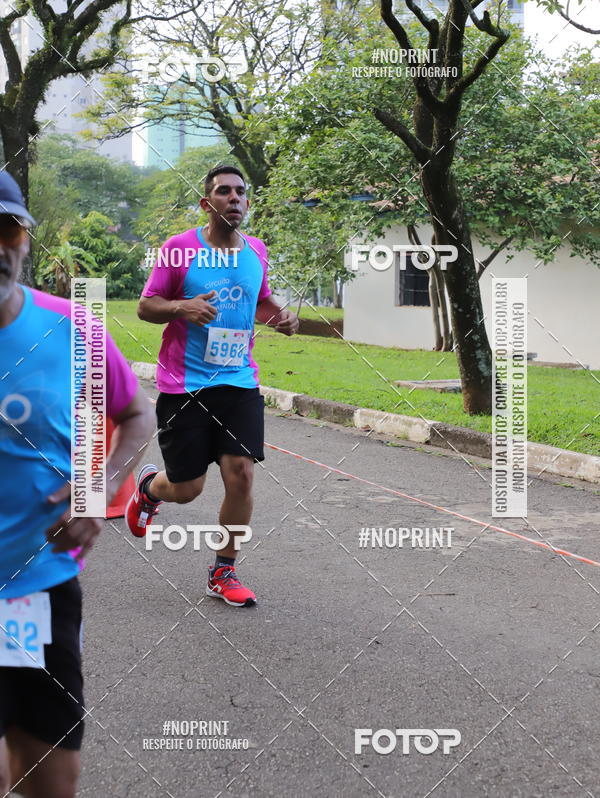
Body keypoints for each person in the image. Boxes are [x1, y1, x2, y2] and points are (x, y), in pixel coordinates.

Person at [0, 171, 153, 798]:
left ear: (24, 239)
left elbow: (136, 412)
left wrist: (97, 488)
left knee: (52, 781)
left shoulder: (70, 328)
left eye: (6, 230)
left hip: (36, 592)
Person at [126, 164, 299, 607]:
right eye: (224, 191)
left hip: (239, 380)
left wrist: (281, 317)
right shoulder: (178, 249)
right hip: (184, 385)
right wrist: (181, 307)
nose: (234, 198)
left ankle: (223, 571)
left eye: (240, 192)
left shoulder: (256, 250)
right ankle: (150, 489)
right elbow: (146, 306)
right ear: (207, 203)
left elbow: (259, 301)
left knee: (241, 473)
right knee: (187, 489)